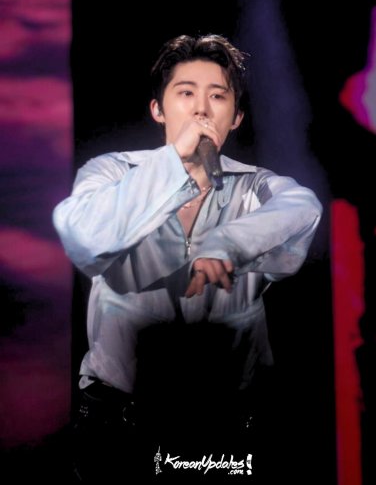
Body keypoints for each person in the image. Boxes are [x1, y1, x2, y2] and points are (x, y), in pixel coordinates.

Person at [53, 33, 322, 482]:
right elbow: (84, 234)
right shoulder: (114, 172)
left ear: (235, 117)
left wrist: (227, 244)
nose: (201, 110)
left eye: (217, 96)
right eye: (185, 93)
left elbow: (301, 209)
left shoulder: (255, 186)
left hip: (228, 428)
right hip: (120, 427)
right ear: (158, 109)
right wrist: (174, 163)